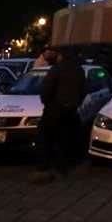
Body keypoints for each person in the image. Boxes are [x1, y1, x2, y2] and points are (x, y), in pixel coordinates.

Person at [34, 48, 86, 183]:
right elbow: (83, 90)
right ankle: (65, 166)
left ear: (61, 56)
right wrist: (76, 103)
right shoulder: (79, 70)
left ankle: (44, 168)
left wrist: (47, 102)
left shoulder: (56, 70)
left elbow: (46, 90)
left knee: (44, 138)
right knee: (67, 138)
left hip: (55, 109)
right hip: (71, 109)